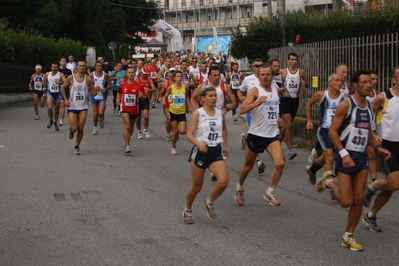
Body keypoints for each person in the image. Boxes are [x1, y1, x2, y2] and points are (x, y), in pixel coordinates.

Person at [318, 70, 390, 251]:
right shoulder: (346, 105)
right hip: (346, 157)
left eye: (370, 82)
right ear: (354, 85)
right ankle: (329, 181)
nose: (369, 85)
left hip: (361, 158)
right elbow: (332, 132)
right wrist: (343, 154)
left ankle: (348, 236)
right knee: (346, 201)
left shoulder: (370, 107)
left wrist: (378, 148)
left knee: (359, 199)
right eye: (364, 82)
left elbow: (368, 133)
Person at [235, 65, 285, 207]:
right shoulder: (255, 90)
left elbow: (273, 108)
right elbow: (242, 110)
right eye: (262, 75)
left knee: (280, 163)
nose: (265, 77)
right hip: (256, 134)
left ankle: (270, 191)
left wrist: (278, 118)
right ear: (258, 76)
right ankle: (239, 186)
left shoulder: (275, 90)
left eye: (268, 74)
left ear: (272, 76)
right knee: (248, 167)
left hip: (272, 134)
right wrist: (257, 102)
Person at [183, 85, 230, 224]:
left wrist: (225, 145)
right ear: (202, 98)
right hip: (201, 152)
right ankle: (188, 209)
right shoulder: (198, 113)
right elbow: (189, 135)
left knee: (223, 182)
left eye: (215, 95)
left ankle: (209, 202)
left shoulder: (220, 113)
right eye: (210, 96)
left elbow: (224, 129)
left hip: (215, 151)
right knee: (197, 187)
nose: (214, 98)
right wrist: (199, 144)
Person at [363, 66, 399, 233]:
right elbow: (367, 116)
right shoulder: (383, 97)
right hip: (387, 145)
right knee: (394, 183)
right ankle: (374, 186)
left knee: (391, 187)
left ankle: (370, 215)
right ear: (393, 80)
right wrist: (373, 134)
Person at [305, 74, 345, 185]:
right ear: (330, 83)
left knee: (327, 157)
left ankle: (312, 169)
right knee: (330, 154)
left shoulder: (345, 97)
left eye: (341, 81)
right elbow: (309, 104)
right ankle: (329, 181)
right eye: (336, 80)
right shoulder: (321, 95)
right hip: (325, 131)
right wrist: (309, 120)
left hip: (338, 132)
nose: (339, 82)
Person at [237, 58, 267, 174]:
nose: (259, 68)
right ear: (252, 67)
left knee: (256, 134)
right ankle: (258, 161)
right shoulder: (248, 79)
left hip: (264, 112)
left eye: (261, 65)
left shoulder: (267, 78)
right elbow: (240, 91)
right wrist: (241, 98)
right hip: (252, 111)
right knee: (254, 132)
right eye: (256, 66)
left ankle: (244, 137)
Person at [280, 52, 309, 160]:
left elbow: (307, 84)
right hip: (285, 99)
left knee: (286, 126)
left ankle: (277, 142)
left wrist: (305, 83)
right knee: (288, 125)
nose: (294, 61)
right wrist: (280, 91)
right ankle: (290, 150)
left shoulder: (301, 72)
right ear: (288, 60)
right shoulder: (283, 72)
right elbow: (276, 83)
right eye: (292, 59)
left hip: (295, 100)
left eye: (295, 60)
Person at [61, 60, 91, 155]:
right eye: (80, 66)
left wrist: (95, 90)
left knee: (81, 127)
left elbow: (92, 88)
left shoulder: (88, 79)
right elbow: (62, 87)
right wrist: (65, 99)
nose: (82, 67)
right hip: (72, 106)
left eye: (83, 66)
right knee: (74, 128)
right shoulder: (71, 77)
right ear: (77, 67)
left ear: (85, 67)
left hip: (83, 106)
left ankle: (77, 146)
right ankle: (71, 130)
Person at [116, 67, 146, 153]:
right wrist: (118, 100)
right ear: (127, 74)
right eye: (129, 72)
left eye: (133, 72)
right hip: (124, 108)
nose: (131, 74)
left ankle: (127, 140)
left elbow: (144, 97)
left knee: (131, 127)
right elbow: (119, 92)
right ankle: (128, 145)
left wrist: (142, 97)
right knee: (127, 126)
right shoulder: (122, 85)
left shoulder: (139, 85)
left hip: (134, 109)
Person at [163, 71, 190, 155]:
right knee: (175, 131)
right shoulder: (171, 88)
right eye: (177, 76)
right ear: (174, 78)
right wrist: (164, 100)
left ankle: (175, 134)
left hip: (181, 112)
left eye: (180, 76)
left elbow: (187, 98)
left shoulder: (184, 87)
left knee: (182, 131)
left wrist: (188, 107)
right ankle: (173, 147)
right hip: (173, 111)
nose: (179, 78)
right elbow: (165, 96)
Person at [88, 60, 111, 135]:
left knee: (100, 112)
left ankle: (101, 119)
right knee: (95, 114)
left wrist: (106, 89)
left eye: (101, 66)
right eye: (98, 66)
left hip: (102, 95)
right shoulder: (91, 75)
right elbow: (87, 84)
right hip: (94, 96)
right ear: (95, 67)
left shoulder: (105, 75)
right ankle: (95, 128)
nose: (99, 67)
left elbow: (109, 84)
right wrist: (92, 89)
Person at [135, 67, 157, 139]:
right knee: (138, 119)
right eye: (144, 74)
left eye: (146, 74)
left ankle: (145, 130)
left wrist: (148, 90)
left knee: (146, 116)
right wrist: (139, 92)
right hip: (138, 101)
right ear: (140, 73)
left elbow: (154, 88)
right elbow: (133, 88)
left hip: (146, 100)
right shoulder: (137, 79)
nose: (145, 76)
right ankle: (139, 131)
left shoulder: (149, 79)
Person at [45, 62, 67, 131]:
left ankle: (55, 122)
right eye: (53, 67)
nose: (54, 68)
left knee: (56, 110)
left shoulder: (60, 74)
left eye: (55, 67)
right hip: (50, 93)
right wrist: (44, 87)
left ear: (58, 68)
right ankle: (51, 120)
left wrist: (60, 82)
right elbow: (45, 81)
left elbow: (66, 82)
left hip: (57, 94)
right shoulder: (47, 74)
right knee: (49, 107)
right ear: (51, 67)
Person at [366, 70, 379, 183]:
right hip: (358, 129)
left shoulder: (378, 95)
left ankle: (374, 180)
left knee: (372, 154)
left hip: (372, 129)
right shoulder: (359, 94)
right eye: (372, 79)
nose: (375, 81)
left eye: (376, 79)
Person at [58, 56, 73, 126]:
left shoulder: (68, 71)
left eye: (65, 61)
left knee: (63, 103)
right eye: (62, 61)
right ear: (60, 62)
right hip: (57, 89)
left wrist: (70, 85)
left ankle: (61, 119)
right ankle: (60, 118)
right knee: (60, 104)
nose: (64, 63)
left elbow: (70, 80)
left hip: (66, 89)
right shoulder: (57, 70)